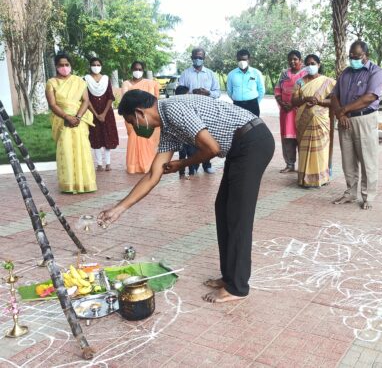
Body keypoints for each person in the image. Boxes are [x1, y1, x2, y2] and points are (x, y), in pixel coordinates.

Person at [97, 91, 275, 303]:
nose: (134, 128)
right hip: (239, 147)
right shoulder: (168, 129)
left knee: (238, 215)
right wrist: (119, 208)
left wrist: (182, 164)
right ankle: (229, 277)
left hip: (253, 141)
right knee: (224, 209)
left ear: (139, 113)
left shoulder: (173, 109)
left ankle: (237, 288)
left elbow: (212, 148)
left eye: (130, 122)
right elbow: (154, 175)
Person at [331, 41, 382, 210]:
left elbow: (370, 97)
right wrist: (340, 114)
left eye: (357, 56)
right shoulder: (345, 73)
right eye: (351, 56)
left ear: (365, 55)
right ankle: (350, 193)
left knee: (367, 160)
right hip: (345, 121)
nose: (353, 59)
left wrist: (343, 110)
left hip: (364, 119)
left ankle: (368, 196)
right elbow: (334, 96)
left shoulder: (375, 72)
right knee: (348, 160)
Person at [45, 53, 97, 194]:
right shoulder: (51, 83)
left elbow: (85, 100)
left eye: (66, 65)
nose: (64, 67)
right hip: (62, 121)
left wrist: (78, 117)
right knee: (66, 151)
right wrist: (67, 117)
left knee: (83, 150)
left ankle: (86, 183)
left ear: (70, 66)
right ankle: (68, 184)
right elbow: (52, 104)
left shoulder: (79, 81)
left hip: (79, 120)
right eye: (61, 65)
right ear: (56, 66)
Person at [291, 54, 336, 188]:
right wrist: (305, 99)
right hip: (303, 120)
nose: (311, 66)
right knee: (304, 150)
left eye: (313, 63)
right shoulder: (299, 82)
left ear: (319, 65)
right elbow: (293, 101)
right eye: (308, 64)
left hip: (321, 119)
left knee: (321, 150)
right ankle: (304, 179)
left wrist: (320, 101)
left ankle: (322, 178)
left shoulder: (328, 82)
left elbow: (334, 101)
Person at [178, 47, 220, 174]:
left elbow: (217, 92)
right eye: (196, 57)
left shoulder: (210, 74)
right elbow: (180, 92)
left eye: (200, 57)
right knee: (193, 139)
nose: (198, 59)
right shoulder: (185, 74)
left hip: (207, 110)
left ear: (204, 58)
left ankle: (207, 165)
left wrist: (207, 92)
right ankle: (193, 166)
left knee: (207, 138)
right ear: (191, 58)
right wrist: (192, 92)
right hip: (190, 111)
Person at [121, 61, 160, 174]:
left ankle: (147, 165)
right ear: (131, 70)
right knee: (134, 138)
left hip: (148, 117)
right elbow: (125, 101)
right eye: (135, 69)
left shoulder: (151, 83)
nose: (137, 71)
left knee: (148, 140)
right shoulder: (126, 84)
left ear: (143, 71)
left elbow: (156, 101)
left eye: (140, 69)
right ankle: (134, 166)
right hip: (132, 116)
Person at [84, 57, 119, 172]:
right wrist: (95, 114)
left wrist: (103, 114)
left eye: (98, 65)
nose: (96, 67)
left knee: (107, 138)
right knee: (96, 138)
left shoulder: (106, 79)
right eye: (94, 64)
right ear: (90, 66)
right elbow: (86, 99)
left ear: (101, 66)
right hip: (92, 113)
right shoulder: (86, 79)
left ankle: (108, 163)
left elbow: (110, 97)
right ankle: (99, 164)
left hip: (107, 114)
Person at [274, 50, 306, 173]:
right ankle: (290, 164)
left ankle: (303, 165)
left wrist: (293, 104)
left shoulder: (305, 74)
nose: (292, 61)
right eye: (290, 59)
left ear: (300, 60)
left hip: (300, 111)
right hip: (286, 112)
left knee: (301, 138)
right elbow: (277, 90)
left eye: (295, 59)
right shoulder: (284, 74)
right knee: (287, 139)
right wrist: (282, 103)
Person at [227, 49, 265, 117]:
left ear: (249, 60)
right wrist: (237, 99)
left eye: (244, 59)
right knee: (238, 126)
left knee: (254, 126)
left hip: (253, 105)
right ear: (237, 60)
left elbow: (261, 90)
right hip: (237, 106)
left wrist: (256, 102)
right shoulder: (231, 74)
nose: (242, 62)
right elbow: (229, 91)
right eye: (239, 60)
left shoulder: (256, 73)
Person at [174, 85, 199, 179]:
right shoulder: (175, 106)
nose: (189, 95)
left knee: (191, 154)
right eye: (187, 93)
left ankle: (192, 172)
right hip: (181, 135)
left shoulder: (190, 105)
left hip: (190, 134)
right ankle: (182, 174)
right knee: (182, 154)